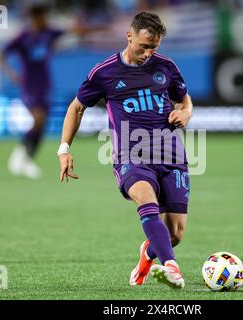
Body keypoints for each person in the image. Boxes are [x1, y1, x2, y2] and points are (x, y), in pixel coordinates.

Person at [57, 11, 193, 289]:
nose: (148, 53)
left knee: (175, 234)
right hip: (131, 156)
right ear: (129, 36)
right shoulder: (104, 73)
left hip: (171, 155)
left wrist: (186, 113)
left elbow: (184, 100)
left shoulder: (166, 66)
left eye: (154, 47)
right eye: (144, 46)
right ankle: (171, 268)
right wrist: (64, 149)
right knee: (146, 200)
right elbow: (77, 107)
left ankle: (148, 255)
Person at [0, 4, 64, 179]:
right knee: (38, 118)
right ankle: (21, 155)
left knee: (42, 124)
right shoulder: (23, 37)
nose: (45, 20)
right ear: (34, 17)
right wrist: (11, 73)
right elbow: (1, 55)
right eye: (42, 16)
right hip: (29, 85)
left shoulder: (48, 33)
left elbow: (72, 32)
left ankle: (27, 159)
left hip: (44, 84)